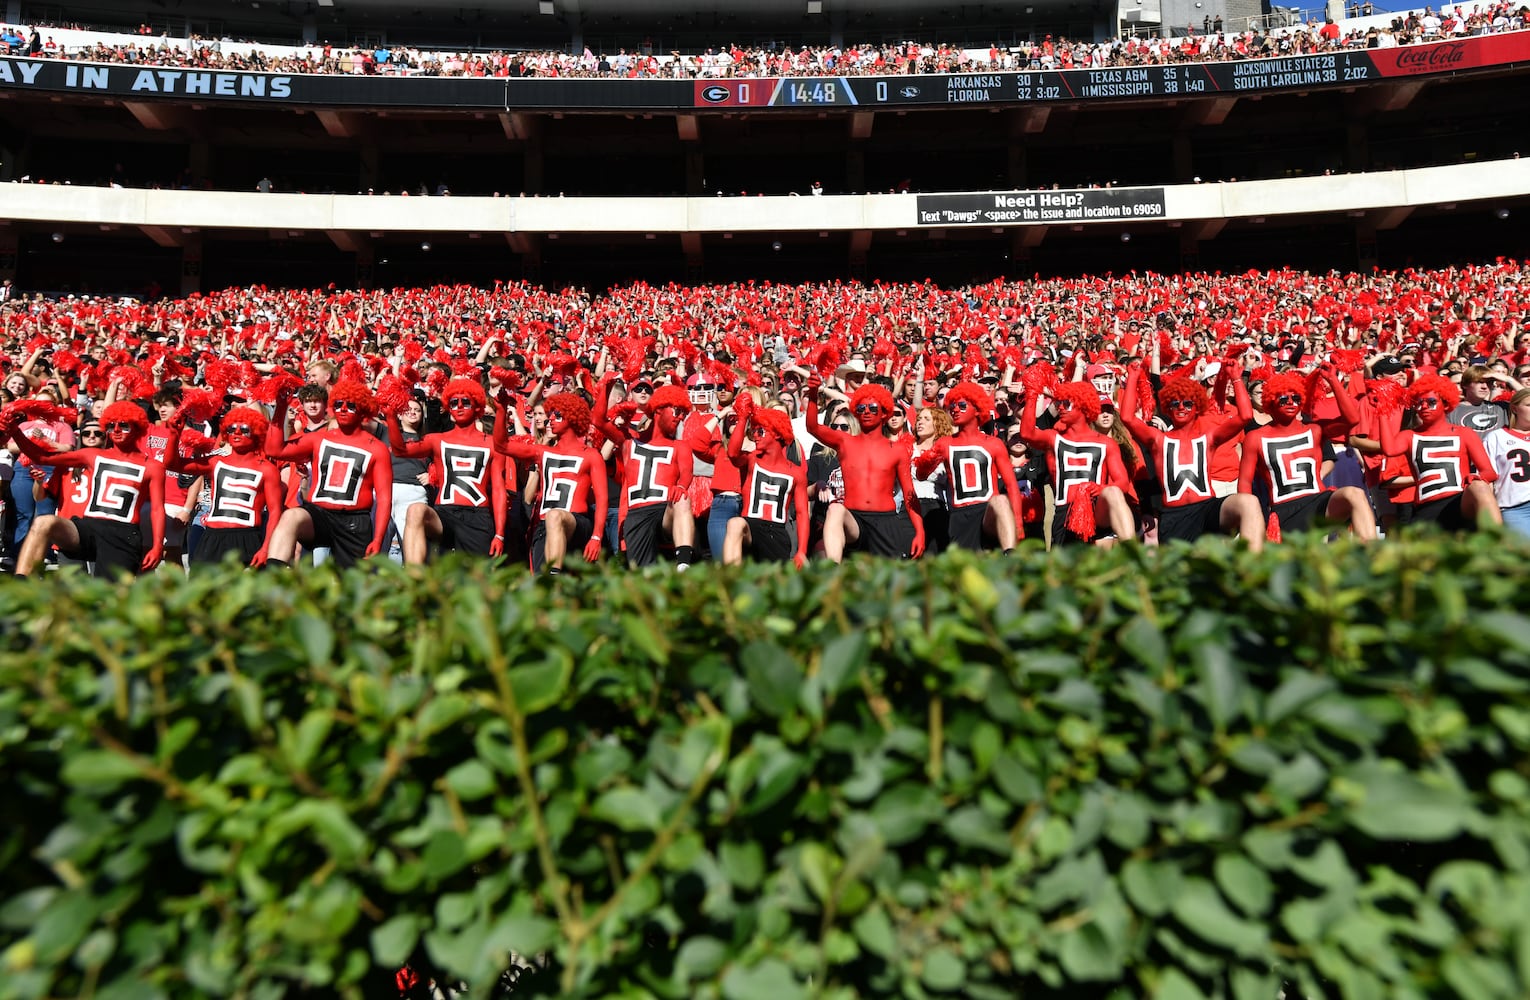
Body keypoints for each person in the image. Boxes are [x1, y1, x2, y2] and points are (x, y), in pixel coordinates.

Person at [3, 401, 165, 578]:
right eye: (111, 426)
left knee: (108, 592)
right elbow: (42, 457)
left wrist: (157, 546)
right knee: (44, 522)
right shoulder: (92, 455)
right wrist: (15, 432)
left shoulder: (153, 466)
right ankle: (23, 581)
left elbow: (157, 509)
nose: (117, 430)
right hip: (88, 526)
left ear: (137, 427)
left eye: (124, 425)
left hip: (123, 534)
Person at [1119, 365, 1265, 551]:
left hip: (1208, 509)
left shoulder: (1209, 438)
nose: (1181, 407)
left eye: (1187, 403)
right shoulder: (1158, 440)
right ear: (1167, 407)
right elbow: (1127, 418)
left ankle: (1251, 564)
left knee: (1249, 502)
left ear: (1197, 407)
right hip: (1175, 516)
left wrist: (1236, 377)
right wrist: (1133, 377)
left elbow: (1245, 416)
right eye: (1175, 403)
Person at [264, 380, 394, 568]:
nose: (343, 409)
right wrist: (281, 407)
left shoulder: (377, 449)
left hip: (354, 523)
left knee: (353, 581)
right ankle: (273, 576)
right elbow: (274, 450)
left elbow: (384, 498)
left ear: (363, 409)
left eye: (351, 405)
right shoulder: (318, 439)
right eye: (339, 404)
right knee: (291, 517)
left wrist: (378, 538)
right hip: (319, 515)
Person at [1239, 370, 1376, 540]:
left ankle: (1372, 551)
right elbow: (1245, 482)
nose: (1291, 402)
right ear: (1270, 401)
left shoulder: (1315, 430)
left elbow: (1352, 419)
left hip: (1318, 502)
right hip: (1283, 510)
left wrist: (1333, 380)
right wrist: (1251, 518)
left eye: (1296, 398)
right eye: (1284, 398)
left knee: (1354, 494)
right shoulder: (1255, 437)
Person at [805, 371, 924, 562]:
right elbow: (812, 427)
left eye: (873, 408)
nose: (866, 411)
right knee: (835, 509)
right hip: (854, 520)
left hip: (886, 521)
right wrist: (812, 393)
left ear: (884, 412)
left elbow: (910, 494)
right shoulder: (844, 442)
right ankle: (832, 569)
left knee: (889, 577)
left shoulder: (897, 450)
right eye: (861, 408)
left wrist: (920, 531)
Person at [385, 378, 506, 563]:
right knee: (415, 510)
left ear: (477, 406)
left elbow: (498, 490)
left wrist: (500, 534)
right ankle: (413, 577)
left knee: (477, 577)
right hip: (444, 515)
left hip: (478, 517)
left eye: (465, 402)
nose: (459, 406)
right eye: (454, 402)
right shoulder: (436, 439)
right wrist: (391, 417)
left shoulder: (492, 444)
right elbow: (400, 450)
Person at [494, 389, 606, 574]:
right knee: (539, 578)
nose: (551, 419)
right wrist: (500, 410)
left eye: (558, 415)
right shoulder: (542, 451)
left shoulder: (592, 455)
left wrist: (596, 537)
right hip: (544, 526)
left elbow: (602, 500)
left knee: (555, 515)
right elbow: (501, 445)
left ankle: (554, 575)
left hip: (577, 523)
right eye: (551, 414)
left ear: (573, 417)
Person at [1019, 381, 1136, 547]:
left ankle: (1133, 551)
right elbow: (1027, 433)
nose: (1060, 407)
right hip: (1064, 513)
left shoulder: (1106, 443)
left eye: (1066, 403)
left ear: (1083, 405)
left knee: (1113, 492)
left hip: (1096, 509)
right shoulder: (1053, 439)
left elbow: (1122, 483)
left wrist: (1100, 489)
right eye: (1059, 403)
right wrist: (1032, 394)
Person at [596, 381, 698, 570]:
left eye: (683, 414)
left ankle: (684, 564)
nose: (680, 418)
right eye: (677, 411)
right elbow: (598, 421)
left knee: (682, 499)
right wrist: (606, 387)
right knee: (642, 574)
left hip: (664, 511)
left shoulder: (680, 446)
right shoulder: (629, 441)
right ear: (659, 409)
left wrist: (681, 486)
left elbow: (687, 473)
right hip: (637, 514)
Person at [1379, 374, 1501, 531]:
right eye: (1419, 403)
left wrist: (1477, 478)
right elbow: (1389, 449)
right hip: (1427, 508)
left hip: (1459, 503)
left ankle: (1498, 539)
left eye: (1431, 402)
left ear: (1446, 404)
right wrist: (1383, 411)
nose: (1424, 407)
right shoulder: (1409, 435)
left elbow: (1490, 472)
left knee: (1480, 487)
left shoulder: (1464, 433)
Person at [164, 405, 282, 568]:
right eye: (232, 429)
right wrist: (173, 434)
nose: (237, 433)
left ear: (256, 432)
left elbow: (275, 511)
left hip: (247, 538)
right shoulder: (216, 462)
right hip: (212, 537)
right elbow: (171, 464)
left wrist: (266, 548)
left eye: (244, 429)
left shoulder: (267, 469)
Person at [912, 382, 1023, 552]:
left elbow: (1012, 486)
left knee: (1000, 500)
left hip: (987, 514)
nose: (956, 409)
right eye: (952, 406)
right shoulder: (944, 443)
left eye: (962, 405)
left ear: (978, 409)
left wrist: (1018, 523)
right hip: (959, 516)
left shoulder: (994, 443)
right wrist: (926, 461)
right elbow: (921, 475)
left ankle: (1011, 555)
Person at [722, 395, 808, 567]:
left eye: (760, 431)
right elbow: (732, 453)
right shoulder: (751, 460)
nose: (755, 436)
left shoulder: (796, 473)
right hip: (750, 527)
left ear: (776, 433)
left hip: (777, 533)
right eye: (753, 431)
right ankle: (730, 579)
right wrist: (743, 418)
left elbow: (802, 513)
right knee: (735, 523)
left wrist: (802, 551)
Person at [1483, 387, 1530, 537]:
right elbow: (1486, 480)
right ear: (1514, 408)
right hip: (1515, 509)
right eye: (1529, 405)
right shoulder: (1496, 437)